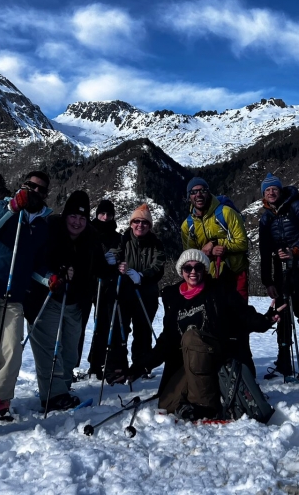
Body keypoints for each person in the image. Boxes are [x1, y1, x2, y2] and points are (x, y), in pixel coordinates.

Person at [126, 249, 280, 421]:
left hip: (217, 355)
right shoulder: (174, 298)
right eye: (188, 268)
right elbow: (167, 341)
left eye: (198, 267)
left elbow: (243, 316)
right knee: (167, 403)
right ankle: (195, 402)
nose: (193, 272)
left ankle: (205, 405)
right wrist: (139, 366)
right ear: (181, 271)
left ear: (204, 269)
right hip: (189, 361)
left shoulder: (219, 290)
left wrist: (267, 319)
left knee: (191, 337)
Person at [0, 171, 52, 422]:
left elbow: (37, 264)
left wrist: (48, 278)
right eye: (30, 186)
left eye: (40, 189)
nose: (34, 191)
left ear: (45, 194)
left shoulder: (43, 224)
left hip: (14, 295)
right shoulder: (3, 206)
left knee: (10, 351)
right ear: (22, 185)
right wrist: (11, 207)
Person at [24, 191, 107, 411]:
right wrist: (55, 273)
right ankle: (53, 395)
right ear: (65, 215)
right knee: (49, 350)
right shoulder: (50, 229)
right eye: (73, 216)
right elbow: (34, 261)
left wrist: (114, 268)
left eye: (82, 218)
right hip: (46, 298)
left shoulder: (91, 236)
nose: (77, 222)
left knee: (70, 353)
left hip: (75, 302)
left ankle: (63, 387)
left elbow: (99, 266)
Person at [257, 173, 299, 381]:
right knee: (282, 312)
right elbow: (264, 251)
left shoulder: (297, 206)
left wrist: (295, 250)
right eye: (267, 190)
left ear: (281, 189)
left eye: (274, 188)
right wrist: (267, 281)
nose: (271, 192)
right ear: (264, 195)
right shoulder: (266, 217)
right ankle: (283, 360)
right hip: (280, 270)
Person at [102, 203, 165, 385]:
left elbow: (158, 267)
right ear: (131, 223)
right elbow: (116, 252)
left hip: (146, 295)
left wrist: (142, 276)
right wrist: (112, 259)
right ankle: (116, 369)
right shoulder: (124, 240)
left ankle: (140, 367)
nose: (140, 225)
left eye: (144, 222)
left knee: (143, 332)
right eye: (136, 221)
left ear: (150, 225)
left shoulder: (156, 244)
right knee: (119, 331)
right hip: (124, 294)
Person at [180, 177, 250, 300]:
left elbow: (243, 243)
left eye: (202, 190)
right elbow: (189, 257)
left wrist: (217, 243)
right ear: (189, 197)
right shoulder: (187, 225)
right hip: (208, 278)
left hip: (236, 274)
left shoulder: (226, 213)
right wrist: (206, 253)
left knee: (240, 317)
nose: (198, 195)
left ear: (208, 192)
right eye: (193, 192)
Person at [81, 199, 121, 374]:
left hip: (106, 285)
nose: (105, 217)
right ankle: (70, 364)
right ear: (97, 214)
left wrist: (115, 262)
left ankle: (96, 363)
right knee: (78, 326)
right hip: (86, 283)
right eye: (102, 213)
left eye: (108, 214)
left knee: (102, 325)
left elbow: (121, 256)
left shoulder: (117, 237)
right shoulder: (87, 231)